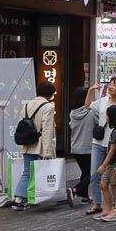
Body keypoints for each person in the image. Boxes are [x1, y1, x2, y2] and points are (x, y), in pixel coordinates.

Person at [85, 77, 116, 215]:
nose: (110, 86)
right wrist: (90, 91)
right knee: (94, 174)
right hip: (98, 143)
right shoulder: (102, 101)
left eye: (114, 85)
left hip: (114, 145)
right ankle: (97, 203)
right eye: (110, 84)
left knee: (112, 178)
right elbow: (87, 105)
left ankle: (114, 206)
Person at [12, 81, 57, 210]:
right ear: (50, 94)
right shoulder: (48, 106)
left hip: (28, 143)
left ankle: (19, 199)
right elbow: (47, 129)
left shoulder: (27, 105)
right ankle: (47, 195)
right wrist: (48, 151)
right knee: (44, 171)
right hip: (41, 144)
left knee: (27, 171)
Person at [95, 105, 116, 222]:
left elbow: (112, 151)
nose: (106, 117)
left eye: (107, 115)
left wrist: (103, 165)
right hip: (113, 163)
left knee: (115, 186)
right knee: (103, 184)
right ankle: (108, 209)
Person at [67, 87, 97, 204]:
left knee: (85, 172)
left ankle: (84, 196)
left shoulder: (72, 113)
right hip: (88, 148)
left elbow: (71, 126)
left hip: (75, 148)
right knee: (92, 173)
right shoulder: (91, 112)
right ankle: (75, 190)